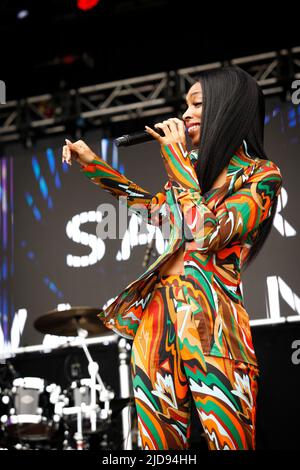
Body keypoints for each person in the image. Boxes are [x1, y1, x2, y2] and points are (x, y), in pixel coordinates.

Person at [62, 66, 282, 450]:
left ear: (227, 109)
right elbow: (153, 211)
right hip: (157, 320)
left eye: (197, 104)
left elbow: (208, 233)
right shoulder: (189, 175)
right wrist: (93, 166)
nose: (185, 114)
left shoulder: (260, 176)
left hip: (212, 324)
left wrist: (179, 164)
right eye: (186, 105)